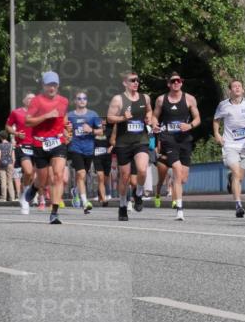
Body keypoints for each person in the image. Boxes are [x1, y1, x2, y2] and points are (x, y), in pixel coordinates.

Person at [153, 71, 200, 221]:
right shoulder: (161, 99)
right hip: (168, 138)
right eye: (173, 81)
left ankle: (175, 184)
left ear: (181, 82)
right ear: (168, 84)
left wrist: (189, 125)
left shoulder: (189, 99)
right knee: (177, 171)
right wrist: (154, 124)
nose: (176, 83)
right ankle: (179, 209)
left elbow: (197, 118)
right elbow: (154, 116)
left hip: (184, 139)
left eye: (178, 81)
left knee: (183, 178)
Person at [107, 71, 154, 222]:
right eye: (132, 80)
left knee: (142, 169)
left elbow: (149, 110)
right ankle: (122, 205)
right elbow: (109, 118)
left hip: (141, 140)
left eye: (137, 80)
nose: (136, 82)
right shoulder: (118, 99)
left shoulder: (145, 98)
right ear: (125, 83)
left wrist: (149, 117)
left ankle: (138, 194)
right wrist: (122, 117)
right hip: (123, 142)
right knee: (125, 176)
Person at [25, 72, 71, 225]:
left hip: (58, 142)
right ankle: (35, 186)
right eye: (49, 85)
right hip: (40, 143)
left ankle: (54, 212)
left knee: (58, 175)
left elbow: (64, 118)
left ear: (58, 86)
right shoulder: (36, 101)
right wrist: (45, 116)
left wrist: (67, 128)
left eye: (54, 85)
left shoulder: (64, 101)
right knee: (43, 180)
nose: (52, 88)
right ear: (43, 85)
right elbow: (28, 122)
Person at [213, 80, 245, 218]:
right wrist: (217, 134)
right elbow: (216, 120)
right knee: (236, 172)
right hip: (230, 144)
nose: (237, 88)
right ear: (230, 90)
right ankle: (238, 205)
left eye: (239, 86)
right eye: (234, 86)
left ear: (243, 90)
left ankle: (231, 179)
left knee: (239, 177)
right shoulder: (223, 105)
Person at [66, 91, 103, 214]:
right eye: (79, 98)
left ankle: (76, 191)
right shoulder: (70, 115)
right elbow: (63, 129)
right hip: (75, 148)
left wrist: (91, 130)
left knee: (83, 176)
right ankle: (85, 202)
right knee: (81, 174)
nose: (82, 100)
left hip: (89, 149)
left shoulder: (93, 115)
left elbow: (101, 131)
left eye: (84, 98)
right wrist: (67, 132)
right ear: (75, 101)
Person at [5, 92, 36, 214]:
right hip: (22, 146)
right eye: (29, 98)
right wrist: (16, 133)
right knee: (28, 171)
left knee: (33, 175)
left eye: (34, 99)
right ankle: (25, 200)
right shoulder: (16, 112)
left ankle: (24, 195)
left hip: (37, 146)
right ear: (24, 101)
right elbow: (8, 126)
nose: (31, 101)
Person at [0, 130, 15, 202]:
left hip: (2, 164)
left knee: (3, 181)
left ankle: (3, 197)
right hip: (10, 163)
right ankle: (12, 197)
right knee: (10, 181)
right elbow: (13, 157)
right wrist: (13, 165)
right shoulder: (11, 145)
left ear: (0, 137)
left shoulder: (0, 145)